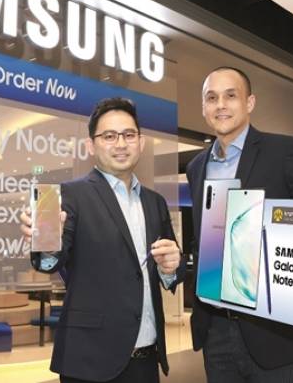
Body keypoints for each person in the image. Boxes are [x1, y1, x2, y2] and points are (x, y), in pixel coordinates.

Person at [21, 97, 185, 383]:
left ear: (141, 143)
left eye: (129, 135)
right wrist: (45, 242)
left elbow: (170, 269)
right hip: (90, 361)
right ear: (91, 145)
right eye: (109, 136)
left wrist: (171, 267)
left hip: (147, 359)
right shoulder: (66, 195)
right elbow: (48, 264)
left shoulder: (156, 202)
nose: (120, 144)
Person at [186, 67, 293, 383]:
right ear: (203, 108)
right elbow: (203, 240)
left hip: (277, 332)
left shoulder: (285, 151)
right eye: (211, 98)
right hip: (217, 332)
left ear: (249, 102)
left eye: (231, 95)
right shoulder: (197, 167)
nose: (220, 105)